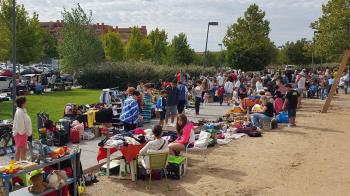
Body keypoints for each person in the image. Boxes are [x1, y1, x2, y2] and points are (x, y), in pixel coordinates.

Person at [13, 97, 32, 161]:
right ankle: (24, 168)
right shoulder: (19, 112)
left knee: (19, 151)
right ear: (22, 103)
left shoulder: (21, 111)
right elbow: (20, 125)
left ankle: (16, 166)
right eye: (25, 101)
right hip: (21, 134)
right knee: (23, 152)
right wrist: (24, 132)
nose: (26, 103)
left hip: (21, 134)